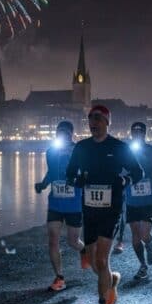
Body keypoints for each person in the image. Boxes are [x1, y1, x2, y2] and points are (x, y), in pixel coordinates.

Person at [66, 105, 143, 304]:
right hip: (89, 210)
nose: (93, 122)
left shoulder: (119, 147)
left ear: (107, 122)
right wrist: (77, 181)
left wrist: (124, 182)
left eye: (98, 118)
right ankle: (112, 281)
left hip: (111, 209)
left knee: (102, 259)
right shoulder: (81, 147)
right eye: (90, 118)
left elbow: (137, 172)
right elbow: (70, 174)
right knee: (94, 263)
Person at [33, 121, 87, 291]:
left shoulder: (79, 150)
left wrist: (80, 181)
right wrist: (42, 185)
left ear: (71, 133)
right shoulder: (51, 151)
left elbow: (86, 173)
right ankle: (59, 277)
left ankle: (83, 250)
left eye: (65, 132)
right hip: (55, 202)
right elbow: (51, 172)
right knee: (53, 239)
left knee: (73, 241)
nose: (61, 135)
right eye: (59, 132)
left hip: (74, 203)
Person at [124, 122, 152, 280]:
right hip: (131, 200)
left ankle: (149, 245)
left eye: (140, 132)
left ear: (145, 134)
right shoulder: (126, 152)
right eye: (134, 132)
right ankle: (142, 265)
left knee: (144, 234)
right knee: (135, 236)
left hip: (149, 199)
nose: (137, 134)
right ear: (131, 134)